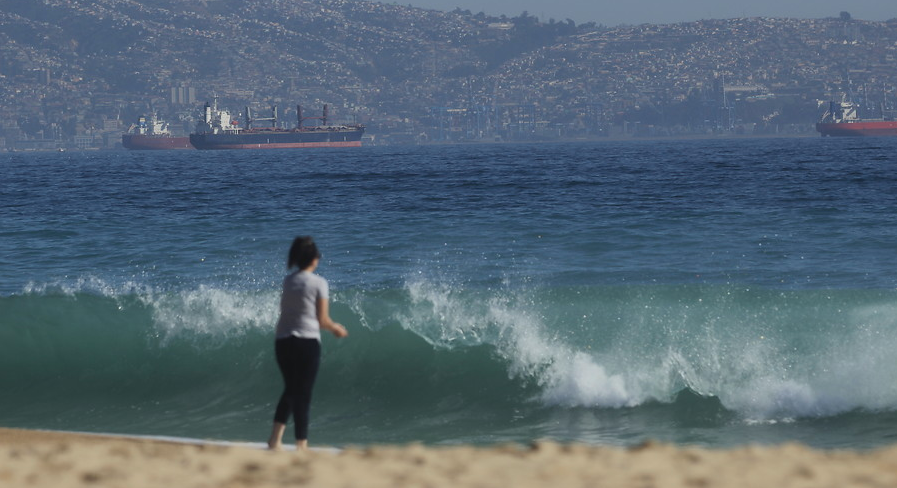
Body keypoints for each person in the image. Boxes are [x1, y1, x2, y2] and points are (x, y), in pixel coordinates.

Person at [267, 236, 348, 450]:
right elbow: (322, 320)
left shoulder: (288, 281)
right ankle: (301, 445)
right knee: (302, 393)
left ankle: (275, 439)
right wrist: (336, 328)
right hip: (306, 343)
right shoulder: (319, 283)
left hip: (283, 342)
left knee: (291, 390)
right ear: (313, 259)